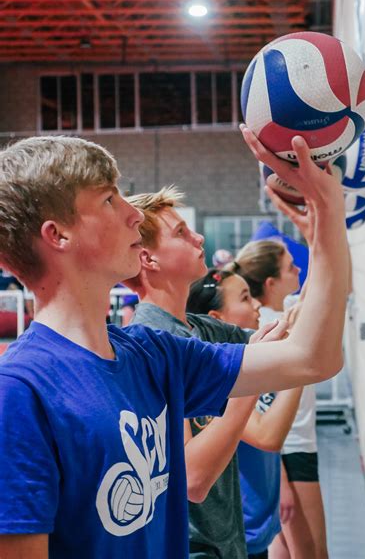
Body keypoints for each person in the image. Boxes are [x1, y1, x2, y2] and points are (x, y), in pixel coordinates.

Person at [0, 130, 348, 558]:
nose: (131, 215)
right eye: (109, 199)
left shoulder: (154, 353)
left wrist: (329, 213)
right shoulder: (19, 392)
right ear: (58, 235)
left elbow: (314, 357)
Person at [125, 191, 302, 558]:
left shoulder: (203, 330)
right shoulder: (149, 344)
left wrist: (323, 227)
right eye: (181, 233)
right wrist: (250, 375)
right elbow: (194, 479)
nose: (199, 237)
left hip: (229, 541)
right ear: (148, 258)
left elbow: (295, 347)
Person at [187, 269, 303, 559]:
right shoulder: (222, 380)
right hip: (243, 526)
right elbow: (267, 435)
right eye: (244, 298)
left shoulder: (249, 359)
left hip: (261, 515)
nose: (255, 306)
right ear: (216, 318)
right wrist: (299, 368)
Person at [232, 239, 328, 559]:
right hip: (290, 453)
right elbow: (262, 411)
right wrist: (281, 481)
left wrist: (317, 230)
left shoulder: (286, 312)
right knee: (310, 552)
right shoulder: (269, 328)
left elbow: (317, 287)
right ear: (271, 282)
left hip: (293, 448)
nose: (298, 268)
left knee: (287, 551)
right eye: (290, 266)